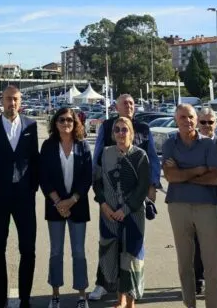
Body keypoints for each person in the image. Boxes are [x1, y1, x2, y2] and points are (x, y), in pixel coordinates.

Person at [89, 94, 161, 302]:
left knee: (132, 245)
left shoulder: (144, 129)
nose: (129, 106)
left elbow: (152, 158)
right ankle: (103, 284)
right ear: (116, 106)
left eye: (131, 103)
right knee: (109, 242)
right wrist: (99, 194)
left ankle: (129, 292)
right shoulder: (107, 125)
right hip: (110, 195)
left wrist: (153, 185)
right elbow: (98, 157)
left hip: (135, 197)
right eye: (124, 103)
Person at [0, 86, 40, 308]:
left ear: (20, 101)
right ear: (1, 101)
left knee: (28, 249)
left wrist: (33, 187)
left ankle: (25, 297)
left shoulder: (30, 126)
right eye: (8, 99)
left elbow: (34, 159)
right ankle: (1, 298)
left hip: (24, 196)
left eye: (15, 100)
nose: (11, 103)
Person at [162, 104, 217, 308]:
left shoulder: (208, 144)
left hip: (206, 206)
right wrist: (198, 169)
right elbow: (170, 176)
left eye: (190, 117)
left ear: (196, 119)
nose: (187, 121)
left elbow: (215, 178)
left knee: (212, 262)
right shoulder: (170, 143)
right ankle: (190, 304)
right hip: (178, 206)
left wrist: (183, 175)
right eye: (182, 117)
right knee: (185, 262)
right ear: (175, 119)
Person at [93, 116, 151, 308]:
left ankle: (131, 302)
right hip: (108, 214)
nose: (120, 133)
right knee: (113, 254)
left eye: (124, 129)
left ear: (131, 133)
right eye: (116, 130)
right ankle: (120, 299)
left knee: (131, 256)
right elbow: (97, 182)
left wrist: (125, 210)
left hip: (133, 215)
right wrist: (104, 205)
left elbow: (142, 188)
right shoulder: (105, 153)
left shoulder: (140, 155)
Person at [40, 107, 93, 308]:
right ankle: (55, 294)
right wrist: (58, 202)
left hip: (77, 206)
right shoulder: (48, 146)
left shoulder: (83, 146)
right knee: (56, 251)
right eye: (61, 120)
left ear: (75, 122)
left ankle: (82, 295)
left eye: (69, 119)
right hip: (55, 207)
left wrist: (71, 201)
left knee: (78, 252)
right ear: (55, 123)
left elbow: (87, 177)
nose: (65, 123)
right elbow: (43, 177)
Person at [191, 107, 217, 304]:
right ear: (197, 123)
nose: (207, 126)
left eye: (210, 122)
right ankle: (198, 281)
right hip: (196, 200)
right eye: (203, 122)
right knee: (197, 243)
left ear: (216, 124)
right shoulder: (191, 144)